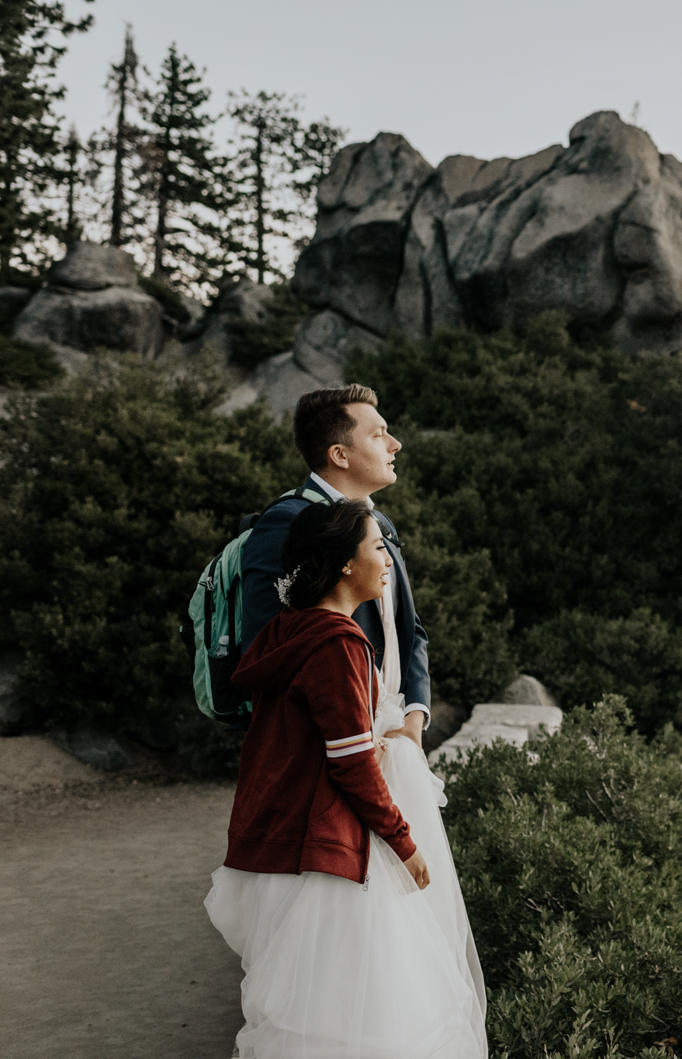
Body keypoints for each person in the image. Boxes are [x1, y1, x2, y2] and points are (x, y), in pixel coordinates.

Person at [206, 499, 487, 1058]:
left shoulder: (289, 630)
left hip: (282, 839)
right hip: (330, 848)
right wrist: (404, 843)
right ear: (343, 564)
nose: (388, 561)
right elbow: (351, 761)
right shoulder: (337, 643)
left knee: (307, 1011)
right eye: (377, 548)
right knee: (365, 1015)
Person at [241, 384, 431, 750]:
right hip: (328, 749)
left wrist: (415, 718)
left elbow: (410, 629)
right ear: (340, 455)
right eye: (378, 435)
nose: (395, 444)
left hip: (395, 737)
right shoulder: (284, 524)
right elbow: (267, 651)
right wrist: (347, 740)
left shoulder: (380, 525)